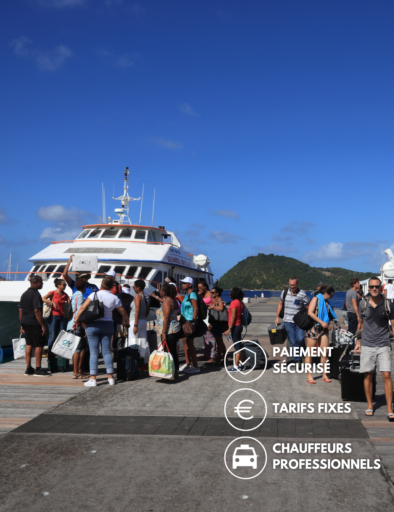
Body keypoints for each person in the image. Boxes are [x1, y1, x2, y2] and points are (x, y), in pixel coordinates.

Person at [74, 276, 129, 386]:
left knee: (94, 352)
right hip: (107, 325)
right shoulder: (114, 298)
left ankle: (93, 379)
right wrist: (127, 322)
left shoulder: (94, 294)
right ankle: (111, 378)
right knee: (107, 352)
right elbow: (123, 312)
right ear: (112, 286)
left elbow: (82, 308)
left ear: (102, 285)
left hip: (93, 325)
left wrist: (76, 320)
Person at [355, 277, 394, 420]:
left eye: (377, 286)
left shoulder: (388, 304)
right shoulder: (363, 304)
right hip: (367, 344)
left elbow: (393, 326)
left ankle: (389, 408)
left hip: (384, 344)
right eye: (371, 287)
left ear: (381, 287)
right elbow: (360, 323)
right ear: (368, 288)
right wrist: (358, 341)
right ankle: (370, 405)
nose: (374, 289)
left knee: (386, 375)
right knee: (368, 375)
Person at [305, 285, 338, 384]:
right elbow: (310, 313)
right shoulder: (316, 299)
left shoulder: (326, 303)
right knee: (310, 353)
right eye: (331, 295)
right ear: (326, 293)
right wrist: (321, 322)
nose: (331, 297)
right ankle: (309, 375)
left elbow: (329, 314)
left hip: (324, 329)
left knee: (324, 352)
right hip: (313, 328)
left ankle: (324, 374)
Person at [19, 275, 50, 376]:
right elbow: (37, 311)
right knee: (38, 345)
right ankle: (38, 368)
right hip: (34, 322)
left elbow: (20, 310)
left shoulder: (24, 294)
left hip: (26, 322)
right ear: (35, 282)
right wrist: (42, 325)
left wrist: (22, 324)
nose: (42, 284)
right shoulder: (36, 294)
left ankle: (28, 368)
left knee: (29, 344)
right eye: (41, 282)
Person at [275, 278, 309, 363]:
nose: (292, 287)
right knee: (292, 342)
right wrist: (277, 317)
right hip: (287, 321)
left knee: (300, 339)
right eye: (290, 285)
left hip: (299, 322)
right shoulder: (285, 292)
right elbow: (280, 304)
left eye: (293, 285)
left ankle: (304, 355)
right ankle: (297, 360)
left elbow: (308, 305)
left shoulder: (302, 294)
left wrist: (305, 316)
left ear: (298, 284)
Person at [156, 282, 181, 379]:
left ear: (164, 292)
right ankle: (175, 372)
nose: (160, 291)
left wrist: (163, 333)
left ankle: (171, 372)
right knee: (173, 352)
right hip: (174, 329)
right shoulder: (172, 301)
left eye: (161, 290)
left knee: (169, 352)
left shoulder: (167, 302)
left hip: (169, 330)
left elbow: (166, 318)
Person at [66, 278, 89, 379]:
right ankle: (76, 372)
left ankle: (79, 370)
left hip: (72, 323)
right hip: (78, 324)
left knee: (82, 348)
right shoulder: (80, 296)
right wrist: (85, 327)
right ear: (84, 287)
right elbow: (80, 312)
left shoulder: (75, 294)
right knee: (78, 349)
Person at [42, 278, 70, 349]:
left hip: (62, 316)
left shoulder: (65, 295)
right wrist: (52, 302)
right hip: (53, 316)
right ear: (58, 285)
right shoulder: (53, 293)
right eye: (63, 285)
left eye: (65, 285)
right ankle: (50, 354)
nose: (65, 286)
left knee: (61, 335)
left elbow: (69, 302)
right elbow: (43, 298)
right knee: (52, 336)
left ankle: (58, 351)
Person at [180, 277, 200, 374]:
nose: (182, 284)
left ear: (190, 284)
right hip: (185, 322)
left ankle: (195, 366)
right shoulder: (187, 295)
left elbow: (196, 309)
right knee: (187, 343)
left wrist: (193, 322)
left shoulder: (192, 294)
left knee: (190, 344)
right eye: (182, 283)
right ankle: (189, 364)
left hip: (189, 322)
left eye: (185, 283)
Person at [224, 287, 245, 372]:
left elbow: (233, 317)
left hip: (235, 326)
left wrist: (229, 328)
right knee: (239, 345)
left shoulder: (233, 303)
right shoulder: (240, 303)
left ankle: (235, 366)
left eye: (231, 292)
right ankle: (241, 364)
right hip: (239, 325)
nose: (230, 293)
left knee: (237, 346)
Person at [129, 279, 150, 362]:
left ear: (138, 288)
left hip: (135, 320)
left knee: (133, 342)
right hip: (143, 320)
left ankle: (133, 363)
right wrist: (144, 318)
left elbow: (137, 310)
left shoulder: (138, 296)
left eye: (134, 287)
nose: (133, 289)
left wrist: (135, 325)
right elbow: (147, 310)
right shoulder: (147, 296)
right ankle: (147, 362)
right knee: (144, 343)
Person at [207, 286, 227, 364]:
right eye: (211, 292)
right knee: (220, 341)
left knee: (219, 342)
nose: (211, 294)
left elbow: (221, 308)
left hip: (219, 323)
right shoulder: (214, 300)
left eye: (212, 292)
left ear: (217, 293)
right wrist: (210, 323)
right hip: (215, 323)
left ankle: (218, 359)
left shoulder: (219, 300)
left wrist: (212, 306)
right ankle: (224, 358)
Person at [198, 280, 216, 362]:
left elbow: (217, 303)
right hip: (203, 318)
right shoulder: (200, 295)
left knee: (211, 338)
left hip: (210, 317)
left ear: (205, 287)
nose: (199, 289)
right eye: (198, 288)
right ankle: (206, 354)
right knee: (205, 337)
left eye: (201, 287)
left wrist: (210, 306)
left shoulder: (211, 294)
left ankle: (212, 356)